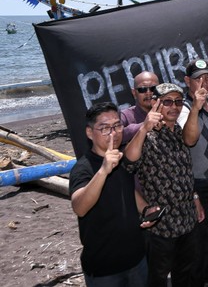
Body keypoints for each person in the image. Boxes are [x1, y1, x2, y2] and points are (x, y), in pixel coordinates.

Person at [123, 83, 205, 287]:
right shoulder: (147, 135)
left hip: (186, 221)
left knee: (184, 275)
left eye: (178, 102)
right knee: (156, 280)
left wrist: (195, 198)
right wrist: (143, 128)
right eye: (167, 102)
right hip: (161, 227)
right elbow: (128, 163)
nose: (174, 107)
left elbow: (185, 167)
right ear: (155, 103)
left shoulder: (178, 131)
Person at [69, 102, 148, 286]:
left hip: (137, 259)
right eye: (104, 128)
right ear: (90, 133)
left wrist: (146, 210)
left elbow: (128, 190)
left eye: (117, 125)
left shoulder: (121, 158)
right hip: (104, 268)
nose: (113, 133)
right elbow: (79, 207)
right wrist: (103, 171)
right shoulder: (83, 168)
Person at [178, 59, 208, 286]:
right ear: (188, 82)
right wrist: (195, 106)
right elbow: (189, 139)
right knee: (198, 238)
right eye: (198, 79)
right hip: (195, 183)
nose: (204, 83)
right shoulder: (184, 108)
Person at [120, 71, 160, 143]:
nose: (148, 93)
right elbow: (114, 135)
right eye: (142, 89)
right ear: (134, 93)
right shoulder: (125, 116)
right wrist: (144, 125)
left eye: (153, 88)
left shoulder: (169, 109)